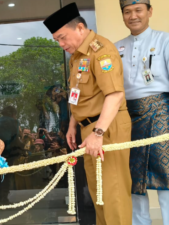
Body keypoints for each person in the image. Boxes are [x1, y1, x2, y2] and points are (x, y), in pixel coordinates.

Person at [43, 3, 132, 224]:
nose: (62, 44)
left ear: (80, 28)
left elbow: (114, 95)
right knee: (98, 194)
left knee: (113, 194)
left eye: (63, 38)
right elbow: (78, 95)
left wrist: (99, 132)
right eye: (57, 41)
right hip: (89, 130)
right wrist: (74, 123)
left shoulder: (101, 51)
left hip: (106, 127)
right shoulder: (77, 57)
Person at [114, 0, 169, 224]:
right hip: (127, 117)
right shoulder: (115, 47)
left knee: (166, 178)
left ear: (149, 12)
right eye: (127, 12)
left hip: (162, 115)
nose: (133, 16)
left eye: (138, 10)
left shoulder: (164, 40)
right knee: (134, 181)